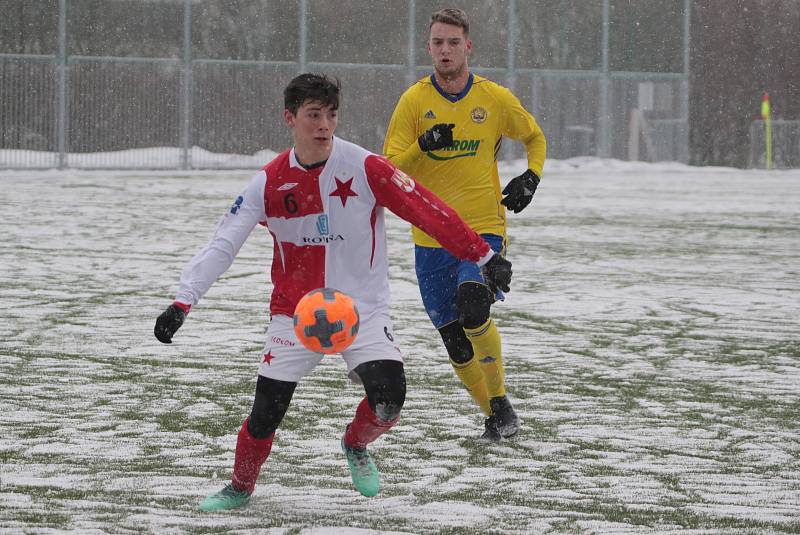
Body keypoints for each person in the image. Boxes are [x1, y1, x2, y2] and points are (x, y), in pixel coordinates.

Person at [154, 73, 512, 511]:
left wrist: (482, 255)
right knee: (266, 412)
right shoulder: (268, 182)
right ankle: (240, 487)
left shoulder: (365, 167)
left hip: (362, 307)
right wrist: (182, 301)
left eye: (331, 115)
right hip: (296, 312)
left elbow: (425, 207)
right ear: (290, 118)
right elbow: (223, 243)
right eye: (313, 115)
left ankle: (355, 444)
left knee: (389, 399)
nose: (324, 125)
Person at [383, 8, 547, 442]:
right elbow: (389, 168)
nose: (445, 50)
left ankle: (502, 404)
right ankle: (496, 411)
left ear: (468, 46)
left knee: (474, 307)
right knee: (455, 340)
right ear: (429, 48)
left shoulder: (493, 98)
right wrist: (422, 145)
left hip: (482, 230)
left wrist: (531, 176)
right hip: (430, 235)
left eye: (453, 42)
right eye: (438, 43)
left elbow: (534, 136)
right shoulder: (414, 102)